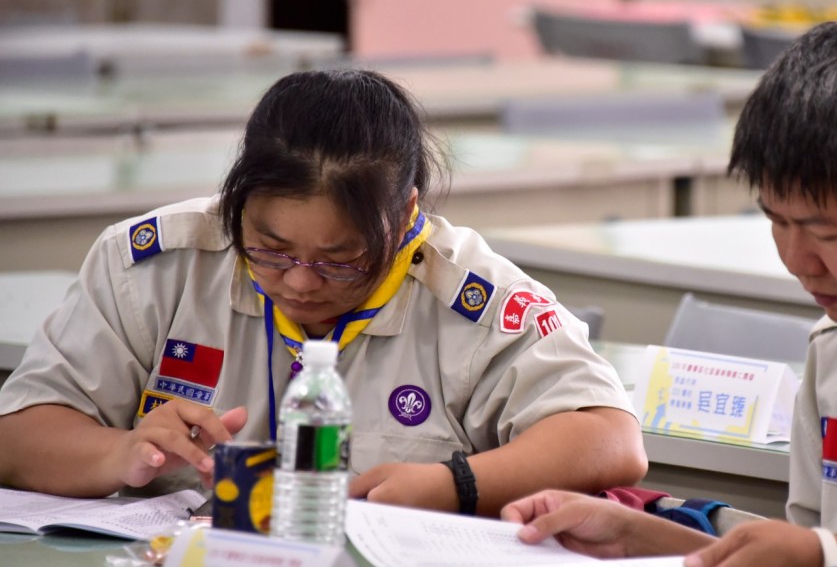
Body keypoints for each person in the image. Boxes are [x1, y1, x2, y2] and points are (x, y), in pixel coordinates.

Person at [0, 69, 647, 516]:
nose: (301, 281)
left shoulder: (467, 293)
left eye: (341, 260)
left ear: (405, 215)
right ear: (236, 203)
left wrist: (456, 483)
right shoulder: (155, 262)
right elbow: (20, 435)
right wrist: (124, 452)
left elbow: (609, 440)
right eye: (270, 250)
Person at [503, 20, 837, 565]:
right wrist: (641, 536)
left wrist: (822, 555)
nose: (798, 262)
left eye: (828, 234)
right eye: (776, 221)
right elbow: (801, 557)